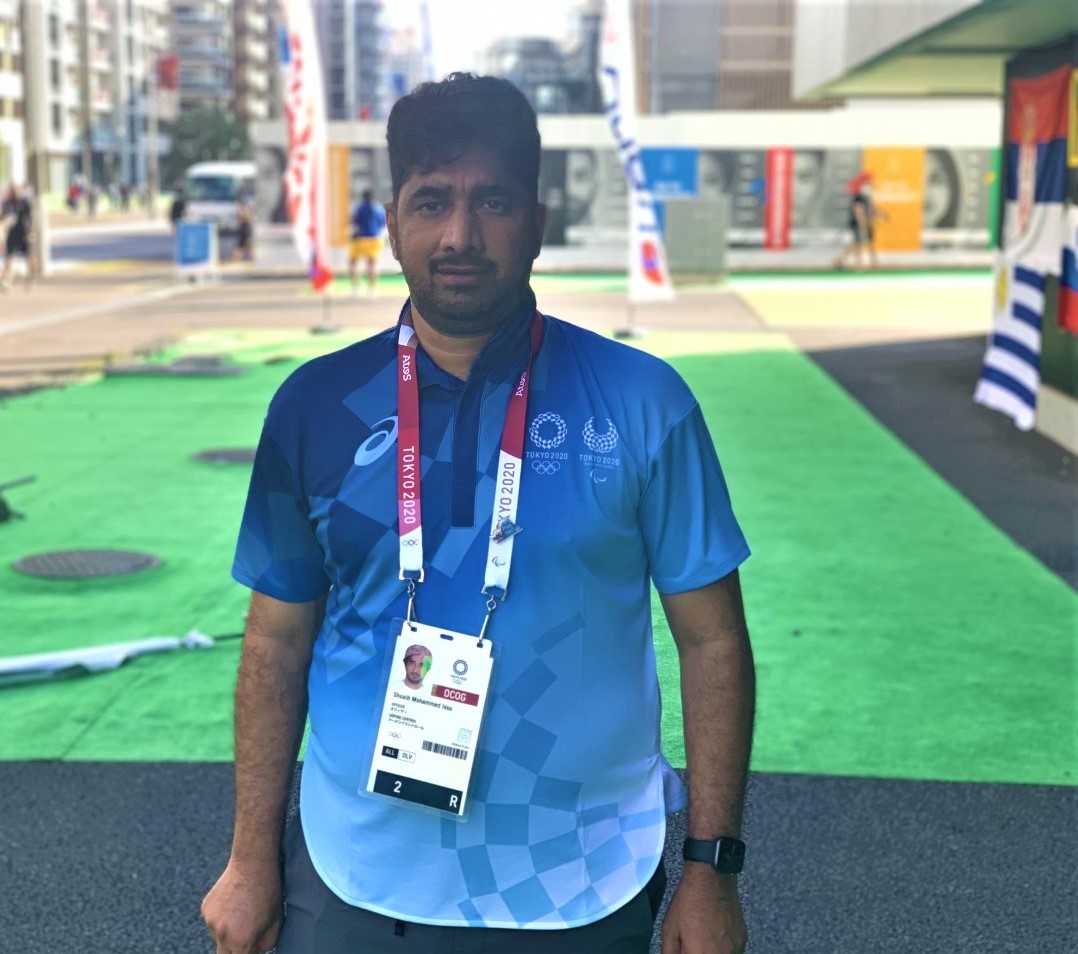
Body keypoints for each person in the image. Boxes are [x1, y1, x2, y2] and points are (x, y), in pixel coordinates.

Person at [202, 73, 754, 954]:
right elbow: (276, 641)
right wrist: (248, 857)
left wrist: (710, 868)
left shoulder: (643, 400)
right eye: (432, 201)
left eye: (492, 201)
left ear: (537, 222)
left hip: (582, 876)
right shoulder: (315, 406)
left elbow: (713, 640)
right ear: (392, 224)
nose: (461, 235)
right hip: (355, 871)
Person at [834, 175, 888, 270]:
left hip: (867, 222)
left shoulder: (866, 197)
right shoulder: (858, 197)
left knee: (868, 243)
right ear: (862, 185)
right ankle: (858, 262)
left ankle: (873, 262)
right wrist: (862, 223)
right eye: (868, 184)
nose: (870, 186)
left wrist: (881, 214)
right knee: (857, 244)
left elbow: (871, 208)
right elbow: (858, 211)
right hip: (858, 224)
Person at [348, 188, 387, 298]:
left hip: (360, 238)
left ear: (363, 197)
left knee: (353, 263)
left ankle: (355, 288)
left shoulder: (359, 208)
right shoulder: (379, 208)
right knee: (372, 265)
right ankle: (371, 290)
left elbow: (354, 223)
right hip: (375, 238)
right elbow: (383, 223)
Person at [1, 184, 37, 293]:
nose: (15, 192)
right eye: (13, 190)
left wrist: (31, 231)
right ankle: (6, 282)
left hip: (24, 233)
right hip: (12, 234)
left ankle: (30, 280)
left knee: (31, 258)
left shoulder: (25, 203)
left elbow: (31, 218)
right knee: (9, 258)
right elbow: (3, 217)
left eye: (17, 190)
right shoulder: (7, 203)